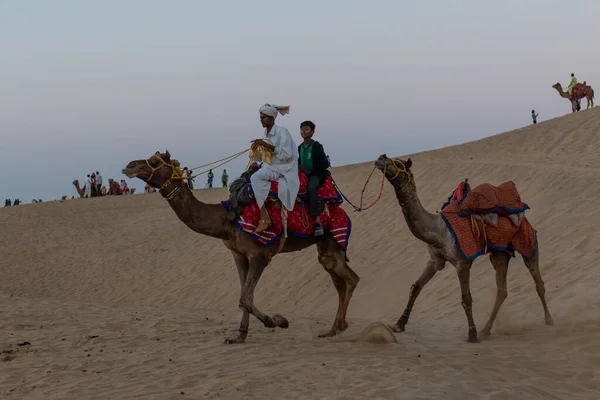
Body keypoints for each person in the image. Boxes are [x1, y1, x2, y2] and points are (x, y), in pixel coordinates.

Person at [250, 103, 299, 233]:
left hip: (281, 168)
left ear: (272, 118)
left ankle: (265, 217)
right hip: (268, 166)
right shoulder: (265, 134)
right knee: (240, 180)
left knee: (256, 178)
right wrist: (256, 154)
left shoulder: (283, 132)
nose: (261, 119)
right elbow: (262, 157)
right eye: (260, 117)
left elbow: (286, 154)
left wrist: (267, 146)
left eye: (264, 117)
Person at [298, 120, 330, 236]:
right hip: (303, 174)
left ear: (312, 132)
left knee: (311, 188)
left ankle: (317, 221)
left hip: (316, 175)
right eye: (302, 129)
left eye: (306, 129)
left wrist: (310, 172)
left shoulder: (316, 146)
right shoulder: (300, 147)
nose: (303, 131)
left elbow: (324, 164)